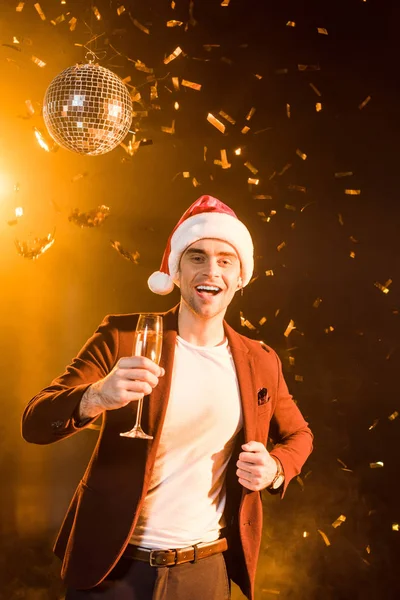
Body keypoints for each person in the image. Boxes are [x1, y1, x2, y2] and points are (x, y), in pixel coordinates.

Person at [22, 195, 313, 600]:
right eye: (197, 257)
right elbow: (35, 423)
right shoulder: (123, 337)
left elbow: (300, 436)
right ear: (176, 270)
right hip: (113, 567)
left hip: (204, 572)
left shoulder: (261, 360)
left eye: (225, 260)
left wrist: (276, 469)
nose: (211, 270)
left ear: (241, 276)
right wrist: (96, 396)